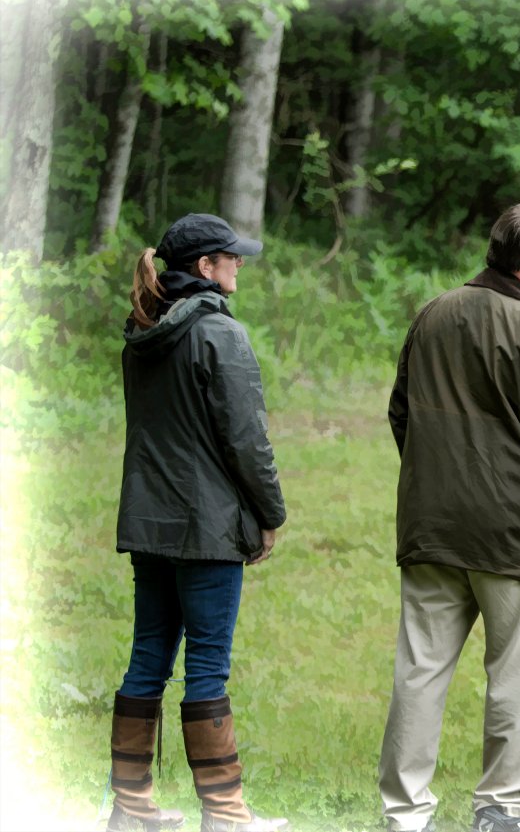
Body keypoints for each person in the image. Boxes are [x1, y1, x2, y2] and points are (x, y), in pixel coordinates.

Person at [379, 203, 520, 832]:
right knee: (516, 676)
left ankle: (405, 813)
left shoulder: (432, 315)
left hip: (431, 528)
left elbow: (401, 411)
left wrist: (435, 478)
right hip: (515, 538)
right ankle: (503, 809)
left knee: (419, 672)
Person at [110, 214, 288, 832]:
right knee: (207, 664)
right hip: (207, 528)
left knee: (148, 656)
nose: (240, 263)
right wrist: (271, 513)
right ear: (206, 267)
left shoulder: (141, 331)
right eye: (231, 256)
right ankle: (226, 813)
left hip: (149, 523)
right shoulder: (219, 334)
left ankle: (130, 810)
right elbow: (246, 440)